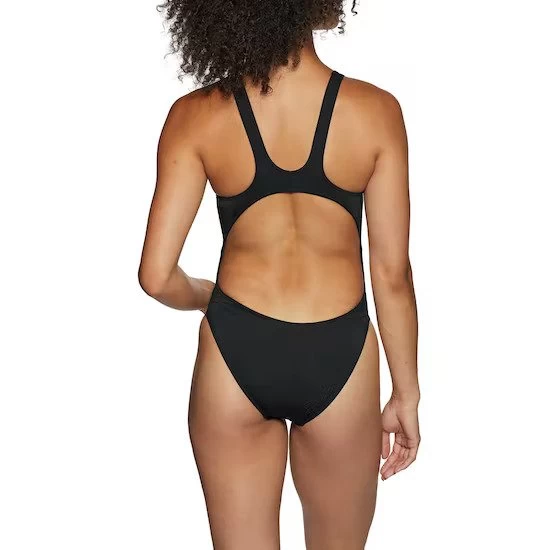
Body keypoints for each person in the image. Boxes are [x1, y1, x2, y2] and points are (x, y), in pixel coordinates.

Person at [138, 1, 420, 548]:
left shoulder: (195, 116)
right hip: (339, 355)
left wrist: (210, 298)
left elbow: (156, 276)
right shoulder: (375, 111)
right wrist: (405, 393)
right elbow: (392, 275)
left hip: (234, 349)